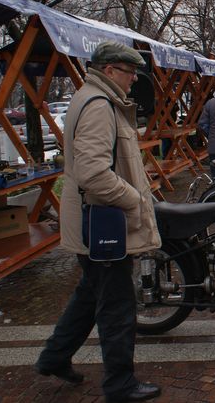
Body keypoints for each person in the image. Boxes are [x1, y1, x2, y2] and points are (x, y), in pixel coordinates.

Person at [35, 42, 162, 403]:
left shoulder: (92, 98)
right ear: (109, 71)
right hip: (104, 226)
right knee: (117, 307)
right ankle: (120, 384)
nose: (134, 79)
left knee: (90, 295)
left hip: (92, 223)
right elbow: (93, 173)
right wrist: (134, 199)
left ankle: (54, 356)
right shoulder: (99, 105)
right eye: (129, 72)